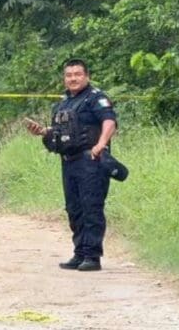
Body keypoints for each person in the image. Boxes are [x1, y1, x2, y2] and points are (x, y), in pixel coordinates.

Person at [26, 58, 117, 271]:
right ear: (64, 78)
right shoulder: (63, 102)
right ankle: (80, 253)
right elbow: (63, 133)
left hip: (91, 162)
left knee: (91, 208)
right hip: (69, 162)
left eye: (77, 74)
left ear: (86, 76)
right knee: (74, 209)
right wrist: (42, 131)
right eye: (69, 75)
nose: (73, 78)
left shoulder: (96, 98)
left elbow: (109, 121)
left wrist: (101, 144)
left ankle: (92, 256)